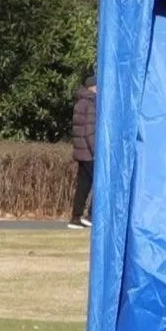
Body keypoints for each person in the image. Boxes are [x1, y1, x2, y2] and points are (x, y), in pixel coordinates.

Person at [68, 75, 99, 228]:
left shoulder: (80, 103)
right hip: (90, 152)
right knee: (100, 183)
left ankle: (76, 217)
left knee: (83, 185)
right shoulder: (92, 104)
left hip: (81, 152)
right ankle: (92, 215)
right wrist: (96, 151)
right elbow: (90, 130)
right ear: (93, 87)